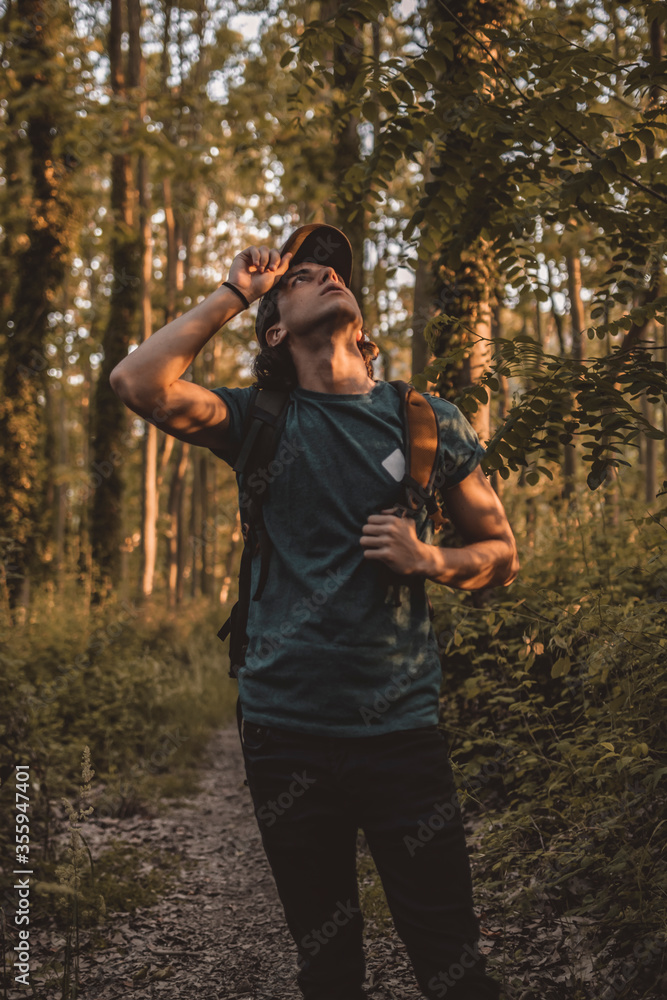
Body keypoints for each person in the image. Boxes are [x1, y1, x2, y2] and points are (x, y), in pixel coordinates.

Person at [110, 223, 519, 1000]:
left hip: (402, 734)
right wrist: (236, 291)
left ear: (360, 324)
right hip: (284, 734)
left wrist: (430, 559)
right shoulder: (257, 421)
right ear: (274, 327)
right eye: (303, 275)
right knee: (329, 970)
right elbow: (137, 382)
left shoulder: (426, 422)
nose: (325, 273)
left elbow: (501, 554)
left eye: (334, 272)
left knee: (455, 967)